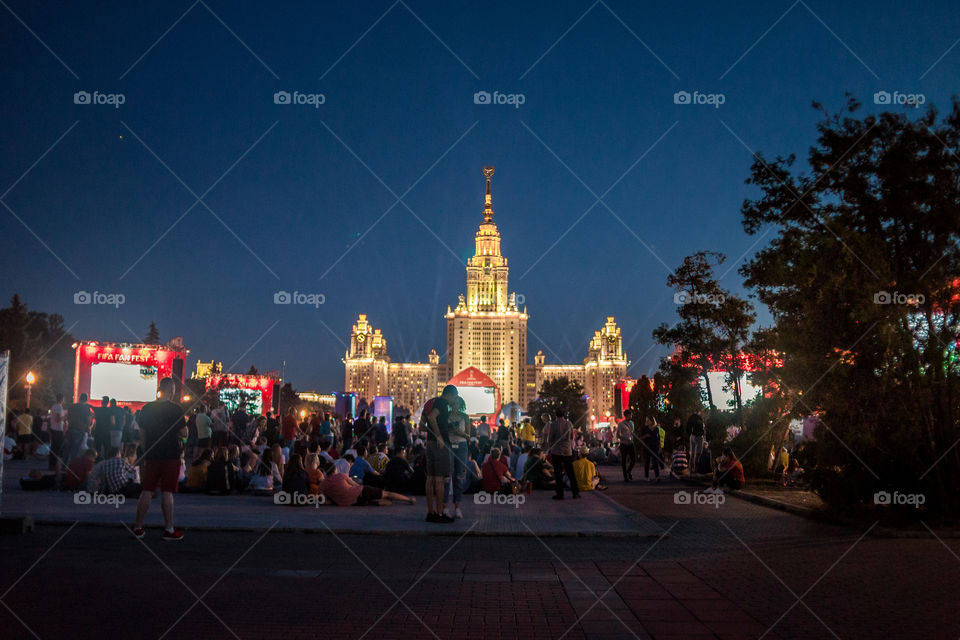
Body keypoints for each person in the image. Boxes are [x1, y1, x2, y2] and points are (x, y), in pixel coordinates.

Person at [133, 377, 188, 541]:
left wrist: (144, 450)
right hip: (171, 454)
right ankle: (169, 529)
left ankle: (138, 527)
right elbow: (184, 433)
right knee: (167, 491)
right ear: (171, 391)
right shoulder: (176, 409)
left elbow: (142, 433)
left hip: (152, 454)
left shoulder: (147, 408)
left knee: (147, 489)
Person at [422, 385, 458, 523]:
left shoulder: (432, 402)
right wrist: (439, 436)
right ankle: (440, 514)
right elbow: (432, 418)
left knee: (430, 478)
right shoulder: (442, 403)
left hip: (430, 443)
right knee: (440, 479)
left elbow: (423, 422)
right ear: (450, 394)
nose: (455, 400)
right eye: (455, 397)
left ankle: (430, 513)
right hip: (439, 444)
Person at [319, 460, 416, 506]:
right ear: (335, 469)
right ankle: (408, 499)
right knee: (387, 494)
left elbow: (323, 499)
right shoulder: (341, 476)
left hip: (352, 502)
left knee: (376, 501)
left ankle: (380, 502)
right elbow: (356, 485)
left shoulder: (323, 484)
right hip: (360, 492)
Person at [444, 396, 471, 519]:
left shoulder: (465, 417)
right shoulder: (446, 415)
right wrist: (449, 430)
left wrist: (460, 432)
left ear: (461, 405)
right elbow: (442, 430)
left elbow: (469, 436)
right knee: (447, 475)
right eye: (453, 403)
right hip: (449, 444)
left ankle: (457, 506)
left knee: (459, 476)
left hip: (461, 446)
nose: (455, 405)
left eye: (457, 403)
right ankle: (445, 506)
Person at [543, 409, 579, 500]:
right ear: (564, 415)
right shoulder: (569, 423)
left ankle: (560, 494)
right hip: (567, 451)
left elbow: (550, 438)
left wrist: (550, 447)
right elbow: (571, 437)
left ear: (556, 415)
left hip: (556, 451)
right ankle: (575, 492)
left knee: (558, 473)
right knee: (570, 472)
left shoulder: (553, 424)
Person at [615, 410, 636, 482]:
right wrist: (623, 438)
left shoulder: (632, 423)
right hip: (624, 444)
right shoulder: (621, 424)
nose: (630, 416)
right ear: (626, 416)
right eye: (629, 415)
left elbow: (633, 433)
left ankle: (628, 471)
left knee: (633, 459)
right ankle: (625, 477)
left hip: (631, 443)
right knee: (624, 461)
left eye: (631, 415)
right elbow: (618, 434)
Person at [639, 416, 661, 482]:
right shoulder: (645, 428)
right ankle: (646, 476)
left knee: (655, 462)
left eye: (648, 420)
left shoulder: (656, 428)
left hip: (654, 447)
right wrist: (645, 436)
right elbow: (640, 438)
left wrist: (659, 446)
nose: (647, 421)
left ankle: (657, 476)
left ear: (652, 421)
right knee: (647, 462)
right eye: (646, 420)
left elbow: (658, 438)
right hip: (647, 447)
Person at [48, 393, 66, 471]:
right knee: (56, 448)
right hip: (58, 429)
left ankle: (52, 464)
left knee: (53, 447)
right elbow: (58, 419)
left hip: (53, 428)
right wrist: (65, 416)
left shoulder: (53, 406)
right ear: (62, 399)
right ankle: (54, 464)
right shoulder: (59, 407)